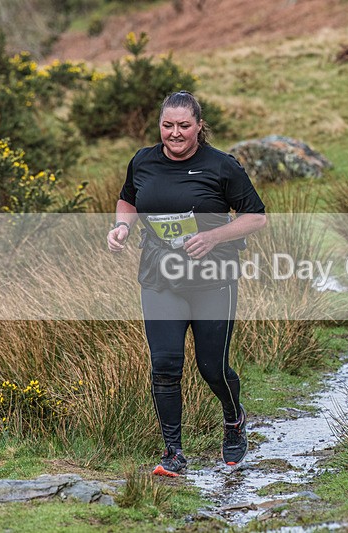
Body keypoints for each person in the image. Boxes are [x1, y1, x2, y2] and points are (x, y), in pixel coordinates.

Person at [107, 91, 267, 476]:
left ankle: (233, 420)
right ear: (159, 126)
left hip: (214, 278)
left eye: (183, 126)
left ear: (199, 127)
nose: (174, 134)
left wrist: (215, 236)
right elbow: (128, 200)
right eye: (167, 126)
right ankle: (174, 452)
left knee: (212, 368)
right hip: (160, 276)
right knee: (165, 365)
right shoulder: (143, 161)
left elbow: (256, 217)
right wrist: (121, 228)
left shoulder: (222, 166)